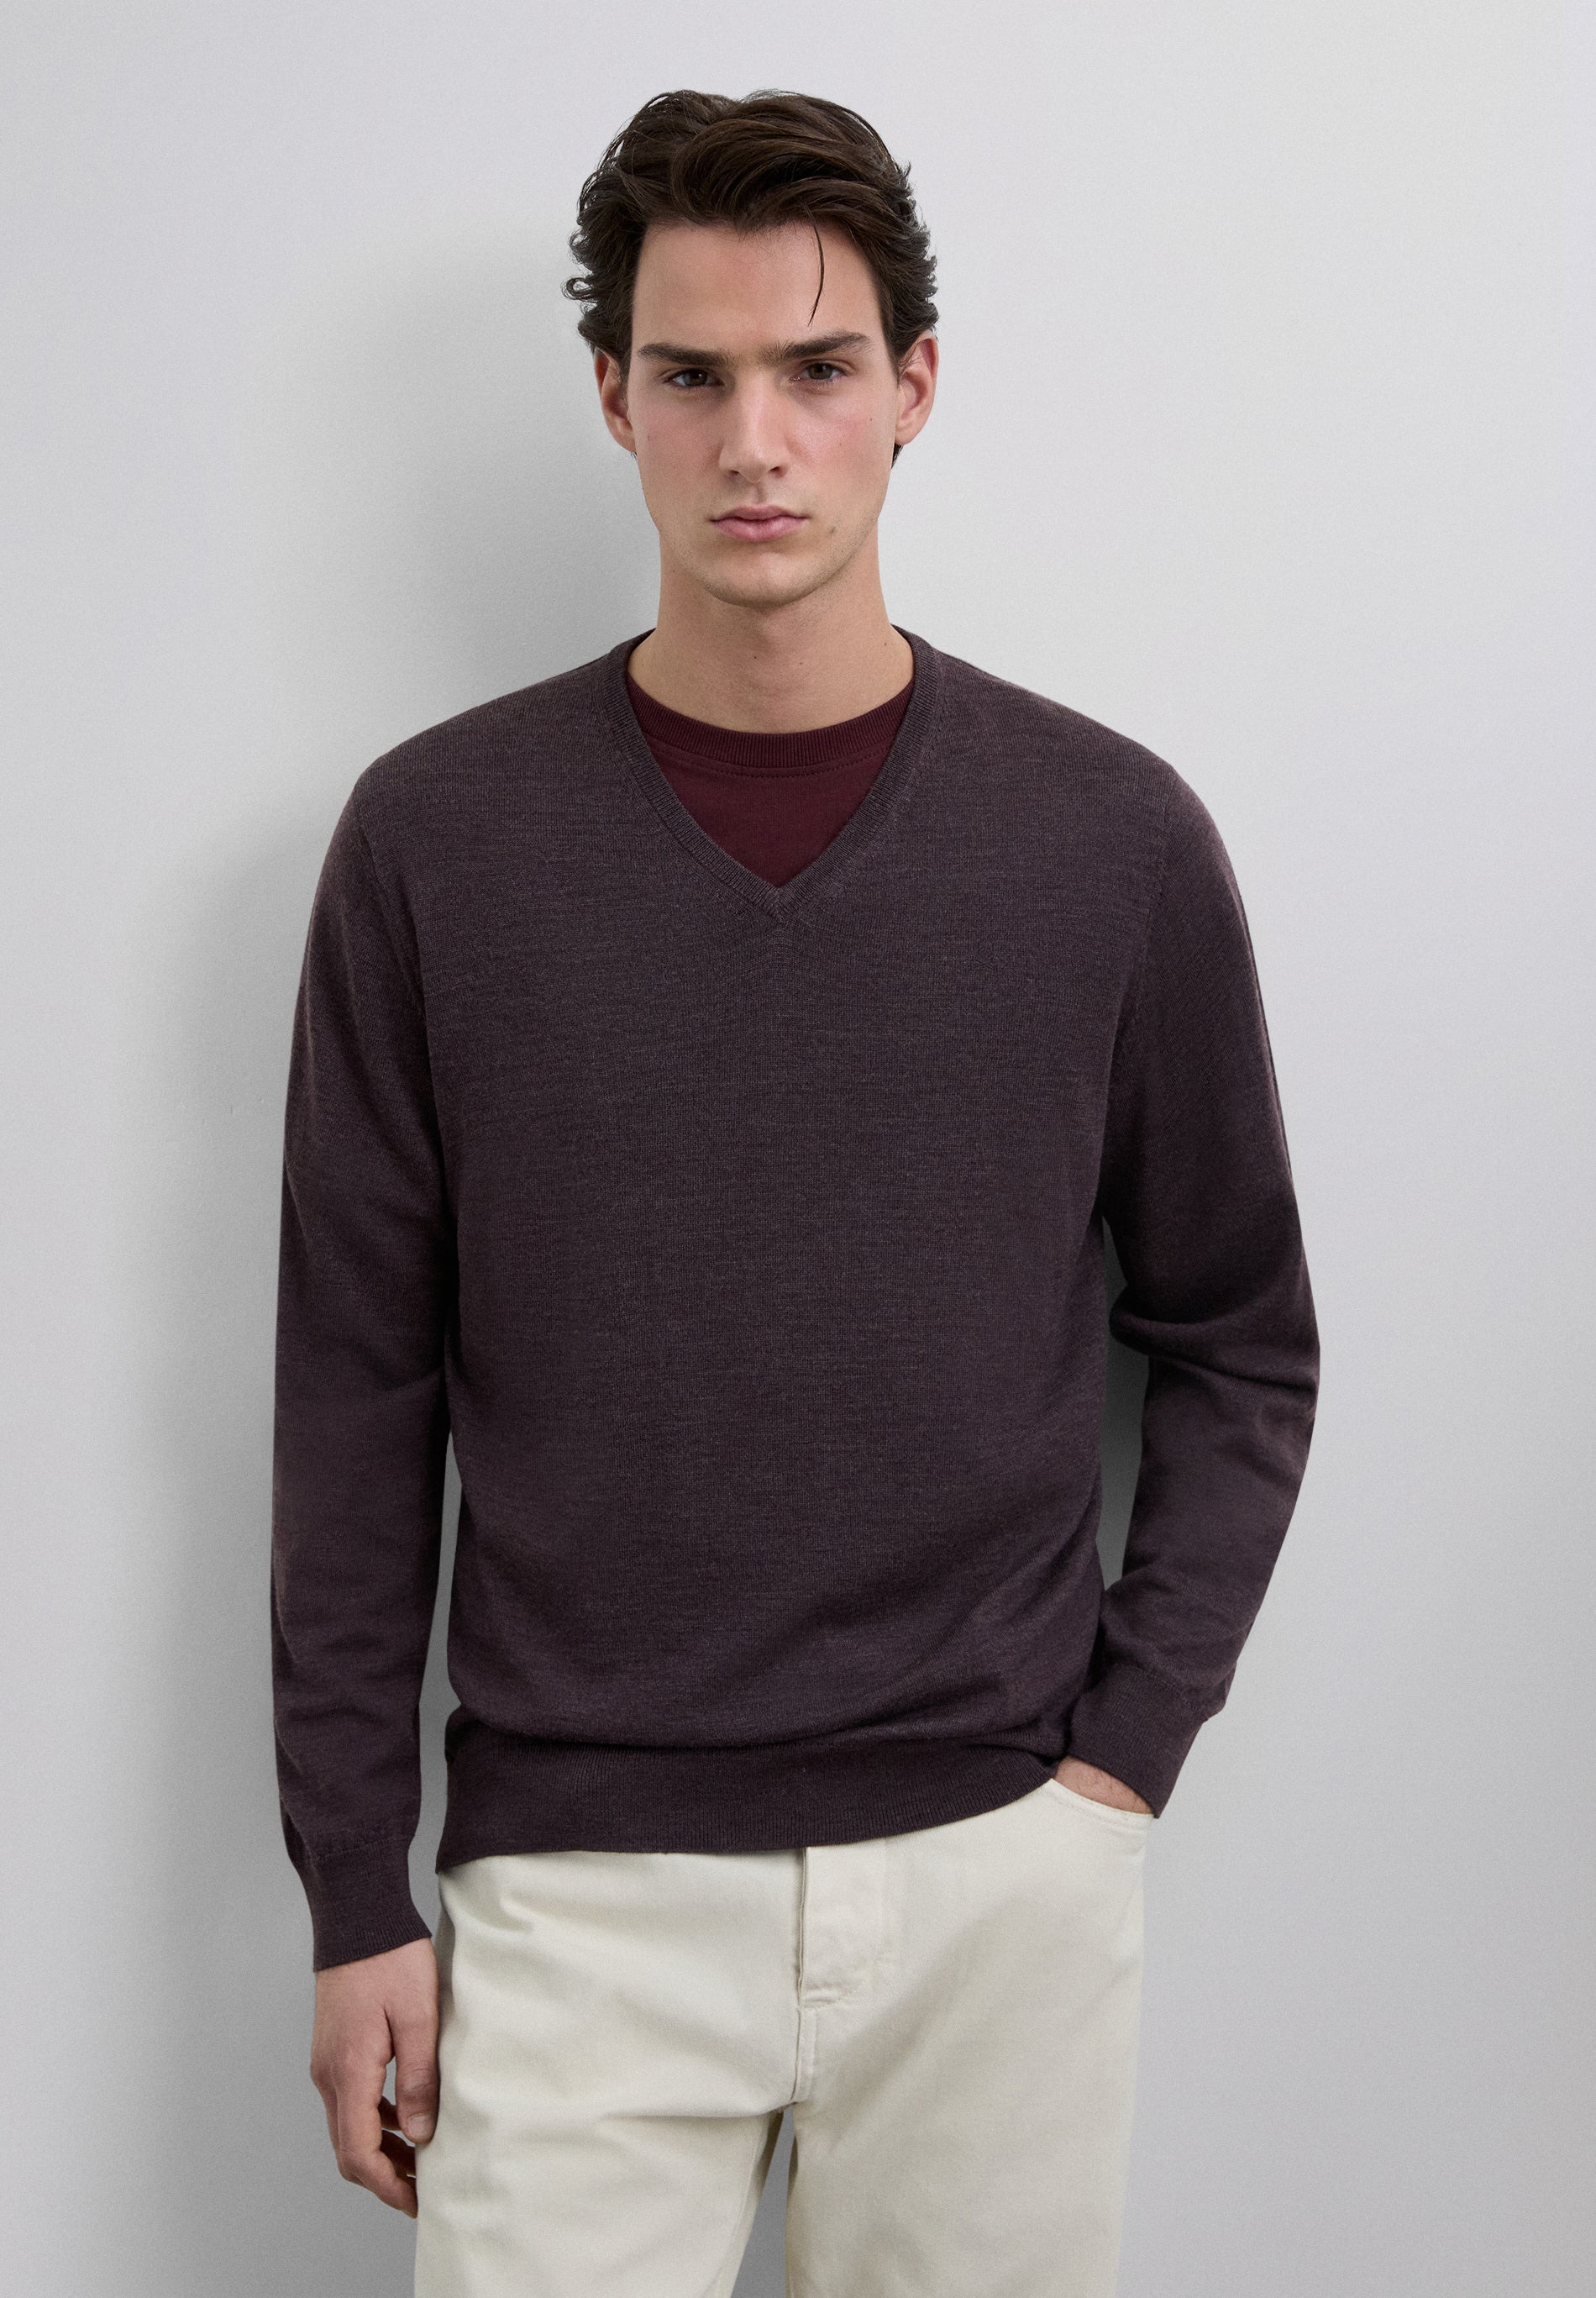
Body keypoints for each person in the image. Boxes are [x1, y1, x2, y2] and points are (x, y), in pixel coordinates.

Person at [271, 87, 1320, 2298]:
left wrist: (1120, 1765)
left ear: (913, 386)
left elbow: (1237, 1338)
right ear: (613, 399)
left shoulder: (1108, 842)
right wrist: (355, 1886)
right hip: (576, 1892)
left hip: (995, 1874)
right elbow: (356, 1391)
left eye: (816, 368)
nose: (755, 442)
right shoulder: (436, 847)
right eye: (693, 374)